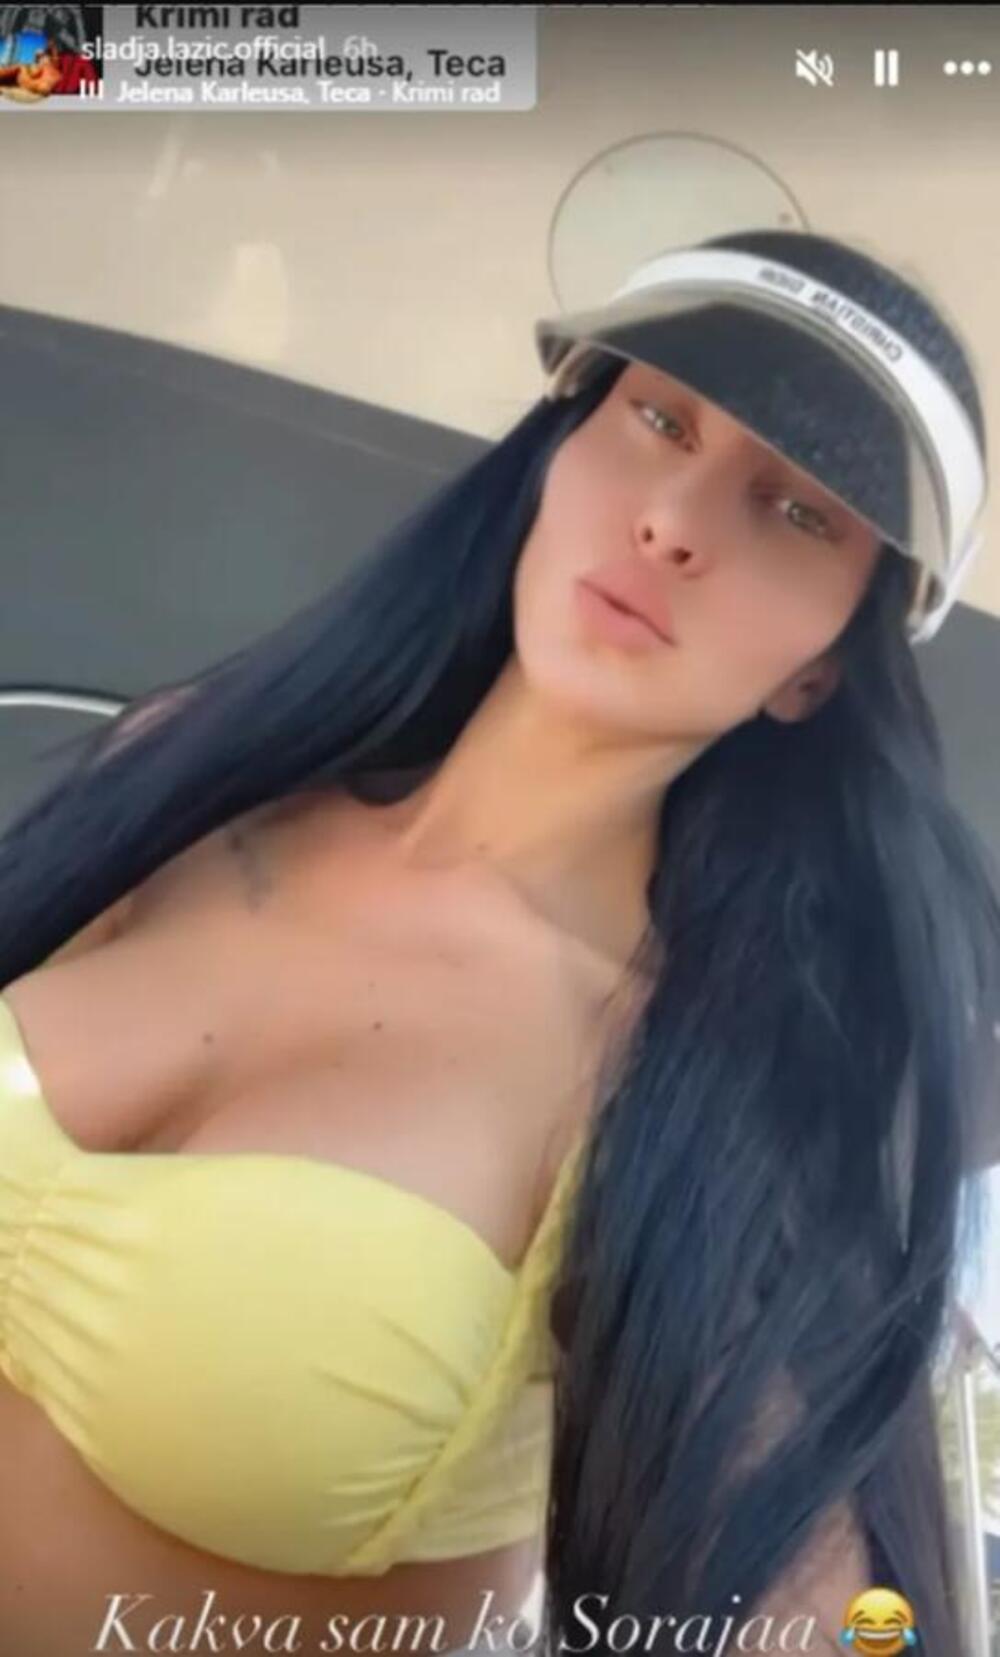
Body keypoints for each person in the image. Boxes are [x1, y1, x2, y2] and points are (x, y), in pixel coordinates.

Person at [0, 227, 997, 1657]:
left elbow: (841, 1609)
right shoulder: (193, 773)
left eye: (796, 510)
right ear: (557, 445)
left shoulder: (687, 1092)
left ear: (821, 670)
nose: (674, 522)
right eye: (659, 419)